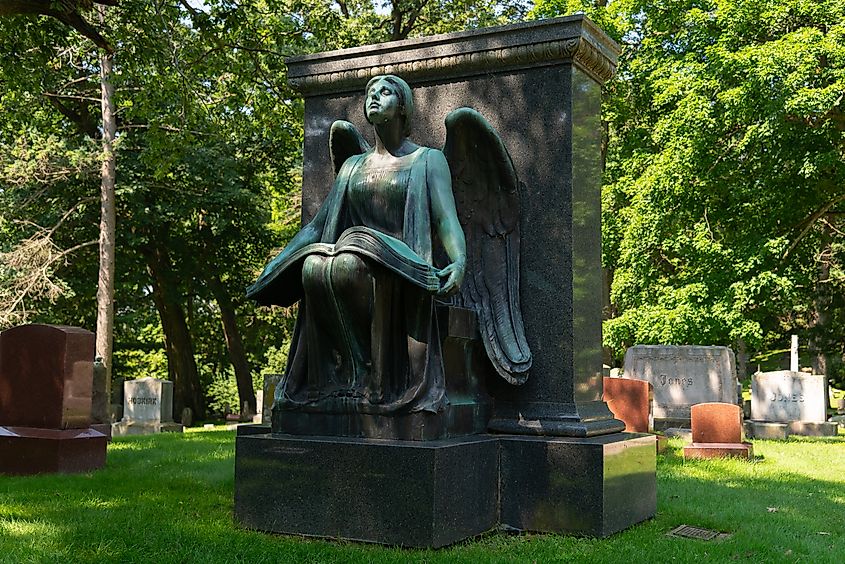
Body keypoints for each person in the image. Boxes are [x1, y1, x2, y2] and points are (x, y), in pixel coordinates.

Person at [247, 75, 466, 415]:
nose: (374, 98)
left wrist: (459, 260)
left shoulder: (428, 160)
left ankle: (377, 381)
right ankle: (347, 376)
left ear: (404, 106)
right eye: (370, 93)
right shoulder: (351, 167)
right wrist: (279, 261)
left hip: (401, 269)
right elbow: (318, 227)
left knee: (350, 262)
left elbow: (445, 218)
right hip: (355, 257)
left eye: (385, 92)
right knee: (314, 266)